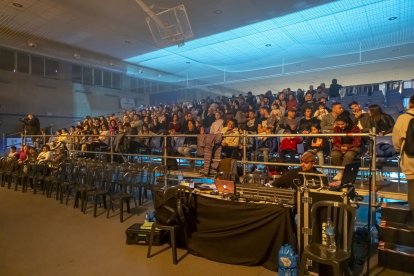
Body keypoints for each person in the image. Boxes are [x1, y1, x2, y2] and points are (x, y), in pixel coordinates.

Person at [392, 95, 414, 229]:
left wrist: (400, 150)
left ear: (411, 103)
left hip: (411, 158)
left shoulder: (404, 118)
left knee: (413, 189)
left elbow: (396, 141)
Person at [330, 114, 361, 180]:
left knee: (349, 155)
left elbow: (357, 142)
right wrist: (341, 146)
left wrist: (348, 147)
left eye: (342, 124)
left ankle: (341, 173)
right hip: (339, 146)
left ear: (347, 123)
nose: (340, 126)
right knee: (334, 155)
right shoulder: (336, 128)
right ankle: (342, 173)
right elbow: (335, 140)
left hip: (353, 147)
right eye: (339, 124)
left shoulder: (355, 128)